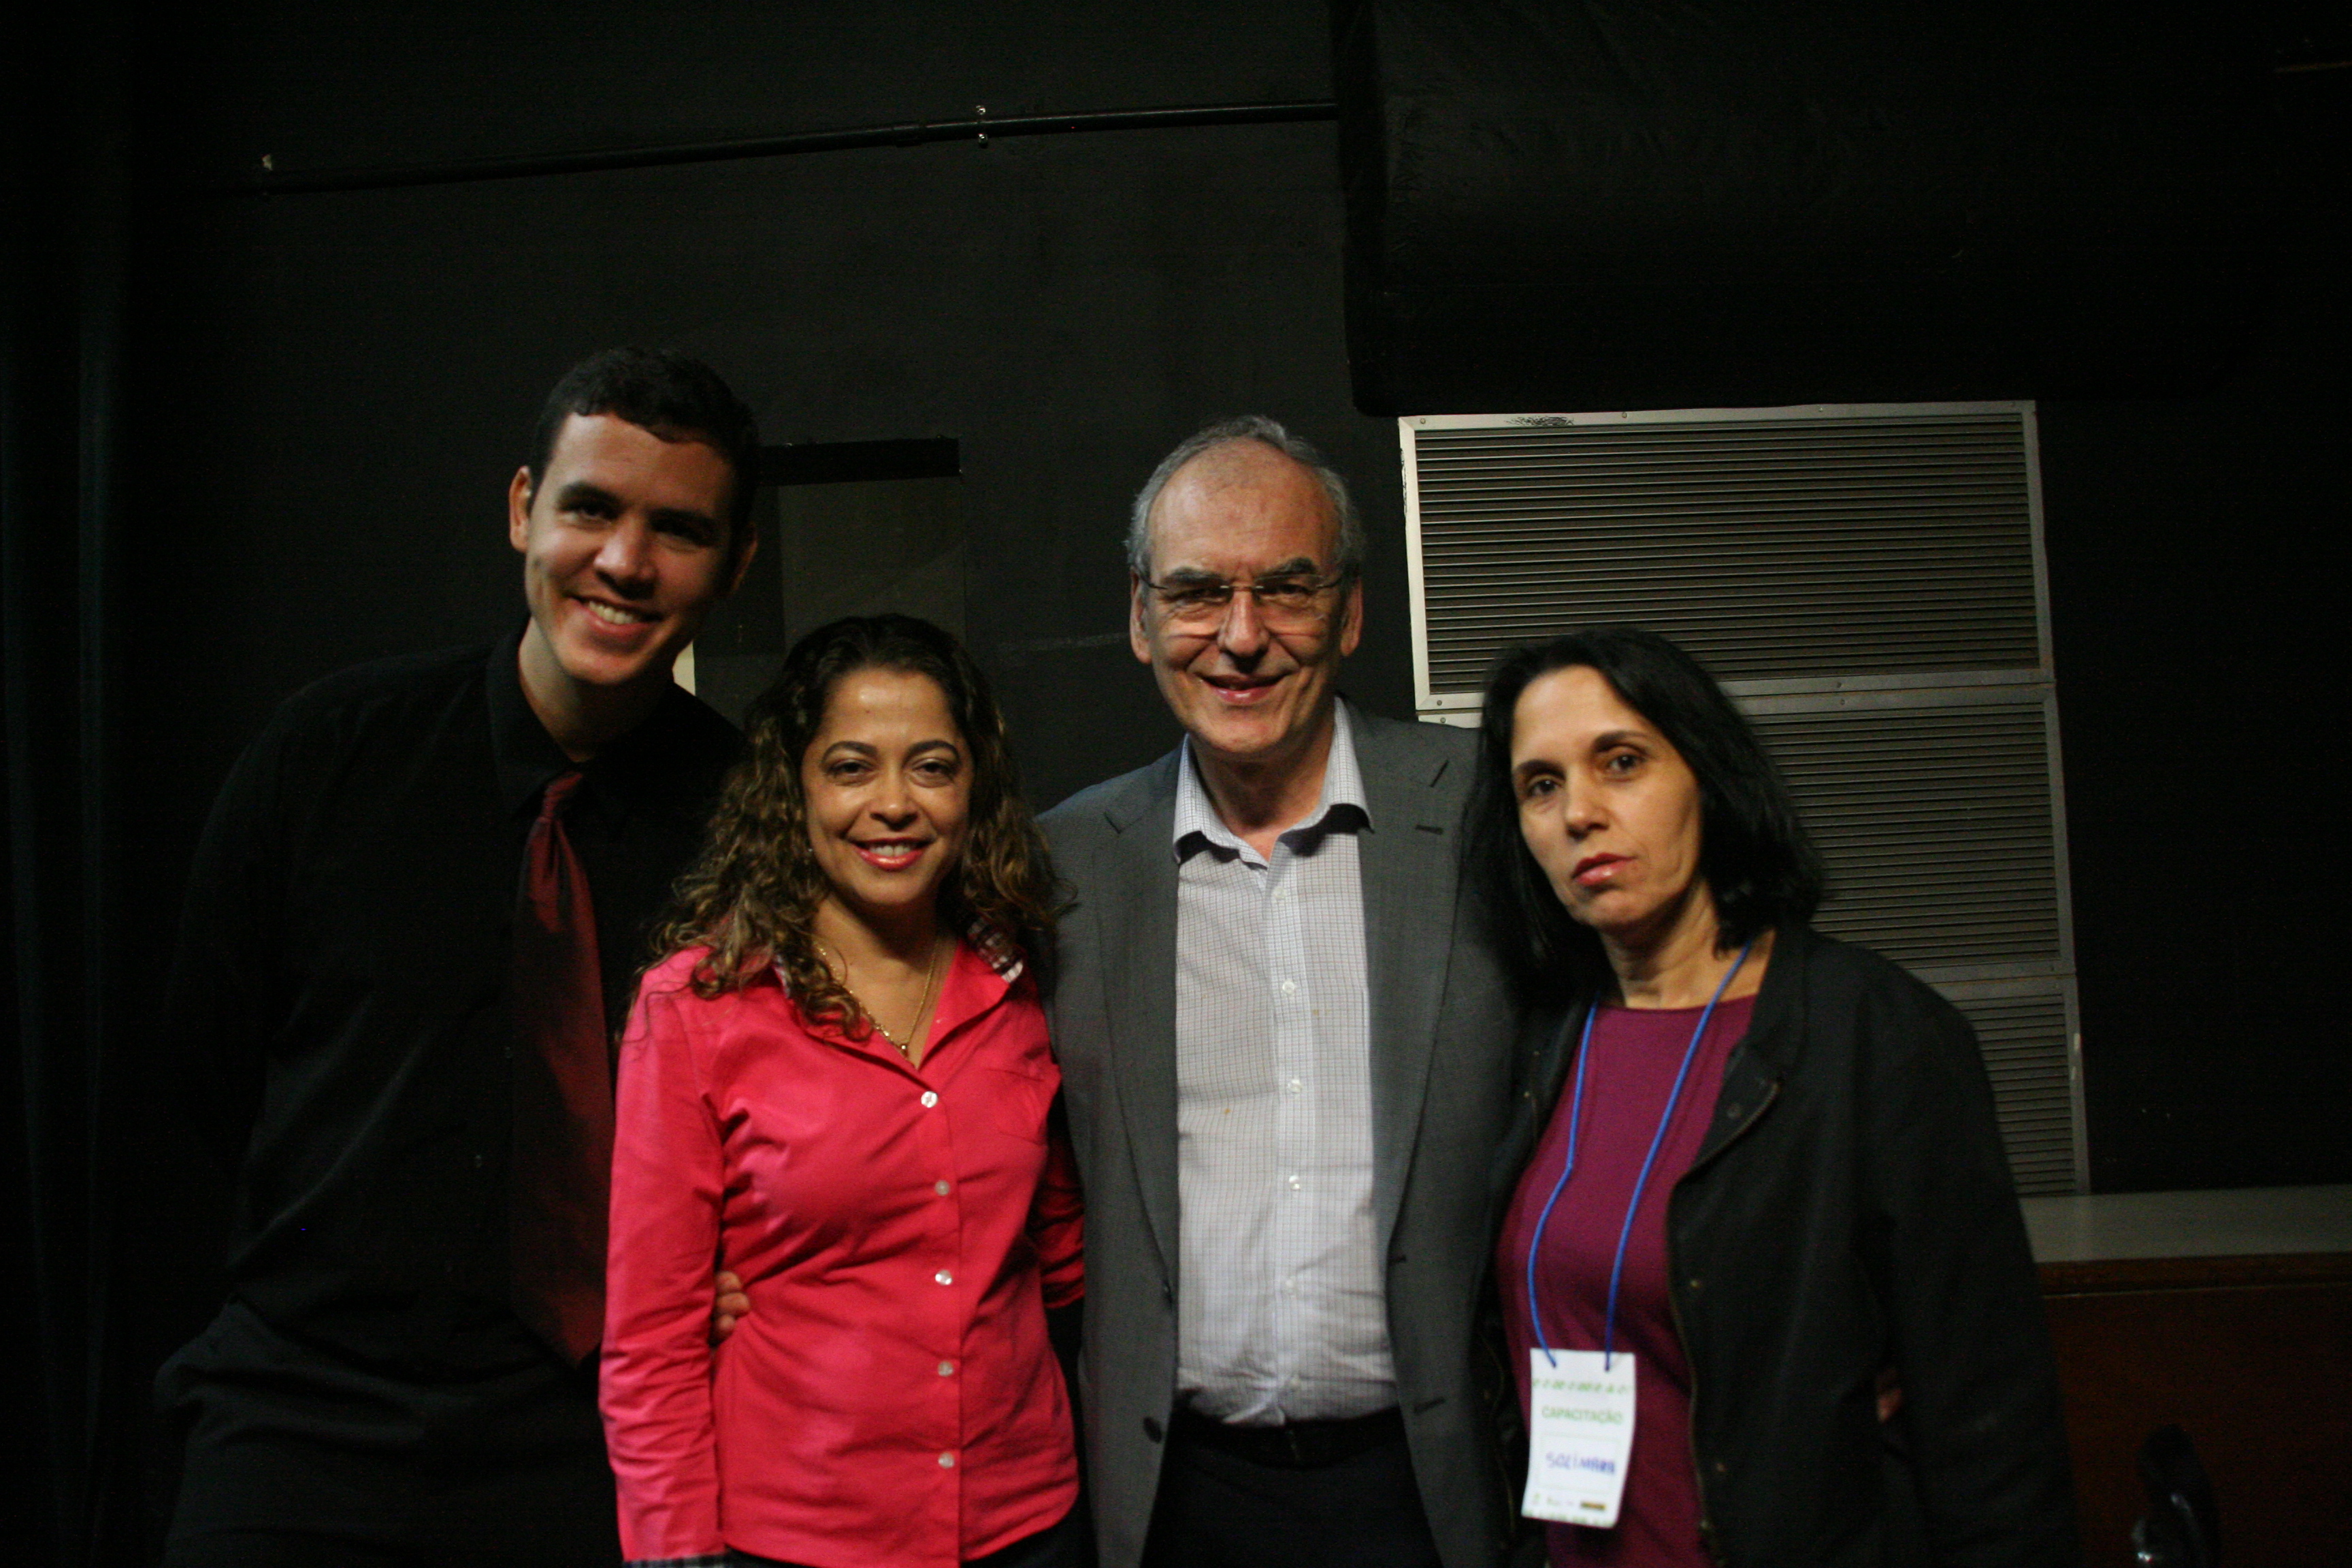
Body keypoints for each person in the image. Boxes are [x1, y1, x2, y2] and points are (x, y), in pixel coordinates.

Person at [156, 348, 762, 1567]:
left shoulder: (754, 820)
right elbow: (192, 1094)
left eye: (679, 529)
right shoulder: (325, 755)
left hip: (594, 1439)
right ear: (520, 510)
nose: (626, 562)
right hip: (300, 1416)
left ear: (736, 567)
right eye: (590, 508)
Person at [1468, 625, 2078, 1567]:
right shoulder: (1540, 1042)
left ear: (1707, 778)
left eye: (1621, 763)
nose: (1579, 812)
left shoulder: (1875, 1036)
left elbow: (1991, 1430)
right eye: (1540, 786)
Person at [1036, 418, 1524, 1568]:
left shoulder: (1490, 820)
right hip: (1171, 1500)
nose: (1242, 638)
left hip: (1435, 1486)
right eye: (1200, 592)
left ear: (1349, 613)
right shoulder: (1062, 870)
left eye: (1287, 591)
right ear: (1142, 619)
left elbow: (1638, 1051)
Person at [603, 615, 1085, 1568]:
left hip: (1026, 1525)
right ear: (796, 787)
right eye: (853, 767)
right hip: (798, 1537)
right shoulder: (699, 1008)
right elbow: (651, 1336)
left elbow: (1065, 1251)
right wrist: (673, 1550)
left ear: (972, 788)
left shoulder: (1019, 980)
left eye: (934, 767)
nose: (895, 804)